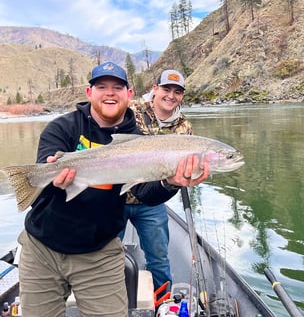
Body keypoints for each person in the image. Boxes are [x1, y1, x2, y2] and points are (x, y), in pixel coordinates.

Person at [17, 62, 210, 317]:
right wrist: (53, 178)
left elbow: (144, 193)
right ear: (89, 93)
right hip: (43, 247)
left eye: (117, 87)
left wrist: (171, 182)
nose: (110, 93)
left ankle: (163, 300)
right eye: (102, 87)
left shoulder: (137, 139)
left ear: (128, 95)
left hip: (99, 252)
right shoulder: (62, 127)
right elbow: (43, 170)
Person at [121, 70, 192, 295]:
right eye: (166, 89)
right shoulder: (129, 112)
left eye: (177, 92)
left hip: (152, 203)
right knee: (104, 255)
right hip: (115, 198)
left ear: (182, 96)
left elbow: (183, 171)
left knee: (159, 258)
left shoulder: (185, 129)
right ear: (155, 89)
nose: (171, 95)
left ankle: (162, 301)